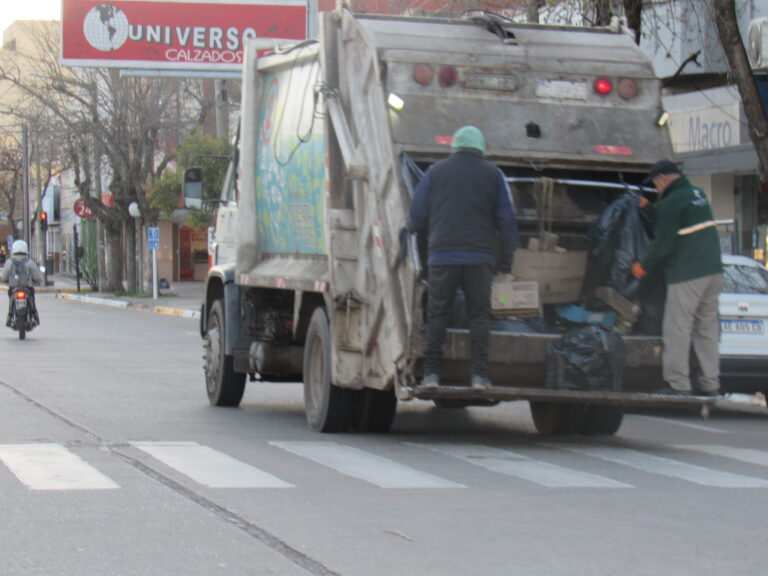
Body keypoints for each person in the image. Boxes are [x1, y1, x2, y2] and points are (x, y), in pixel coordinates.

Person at [410, 126, 519, 390]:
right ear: (481, 147)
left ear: (455, 146)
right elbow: (507, 219)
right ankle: (479, 377)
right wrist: (508, 256)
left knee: (437, 314)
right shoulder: (493, 175)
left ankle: (432, 375)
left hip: (442, 255)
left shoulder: (434, 172)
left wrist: (423, 246)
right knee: (479, 316)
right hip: (479, 258)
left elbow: (417, 216)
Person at [631, 159, 723, 396]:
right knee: (706, 328)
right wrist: (648, 207)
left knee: (677, 327)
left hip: (688, 273)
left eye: (655, 183)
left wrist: (643, 267)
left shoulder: (672, 200)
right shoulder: (695, 193)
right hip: (713, 271)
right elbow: (675, 218)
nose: (656, 188)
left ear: (662, 178)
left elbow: (663, 244)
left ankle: (677, 384)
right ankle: (710, 384)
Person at [1, 240, 43, 326]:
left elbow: (3, 277)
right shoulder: (29, 262)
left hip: (13, 288)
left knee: (11, 298)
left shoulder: (9, 262)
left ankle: (10, 314)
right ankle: (34, 313)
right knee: (32, 298)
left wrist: (4, 280)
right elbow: (37, 277)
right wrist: (37, 281)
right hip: (27, 287)